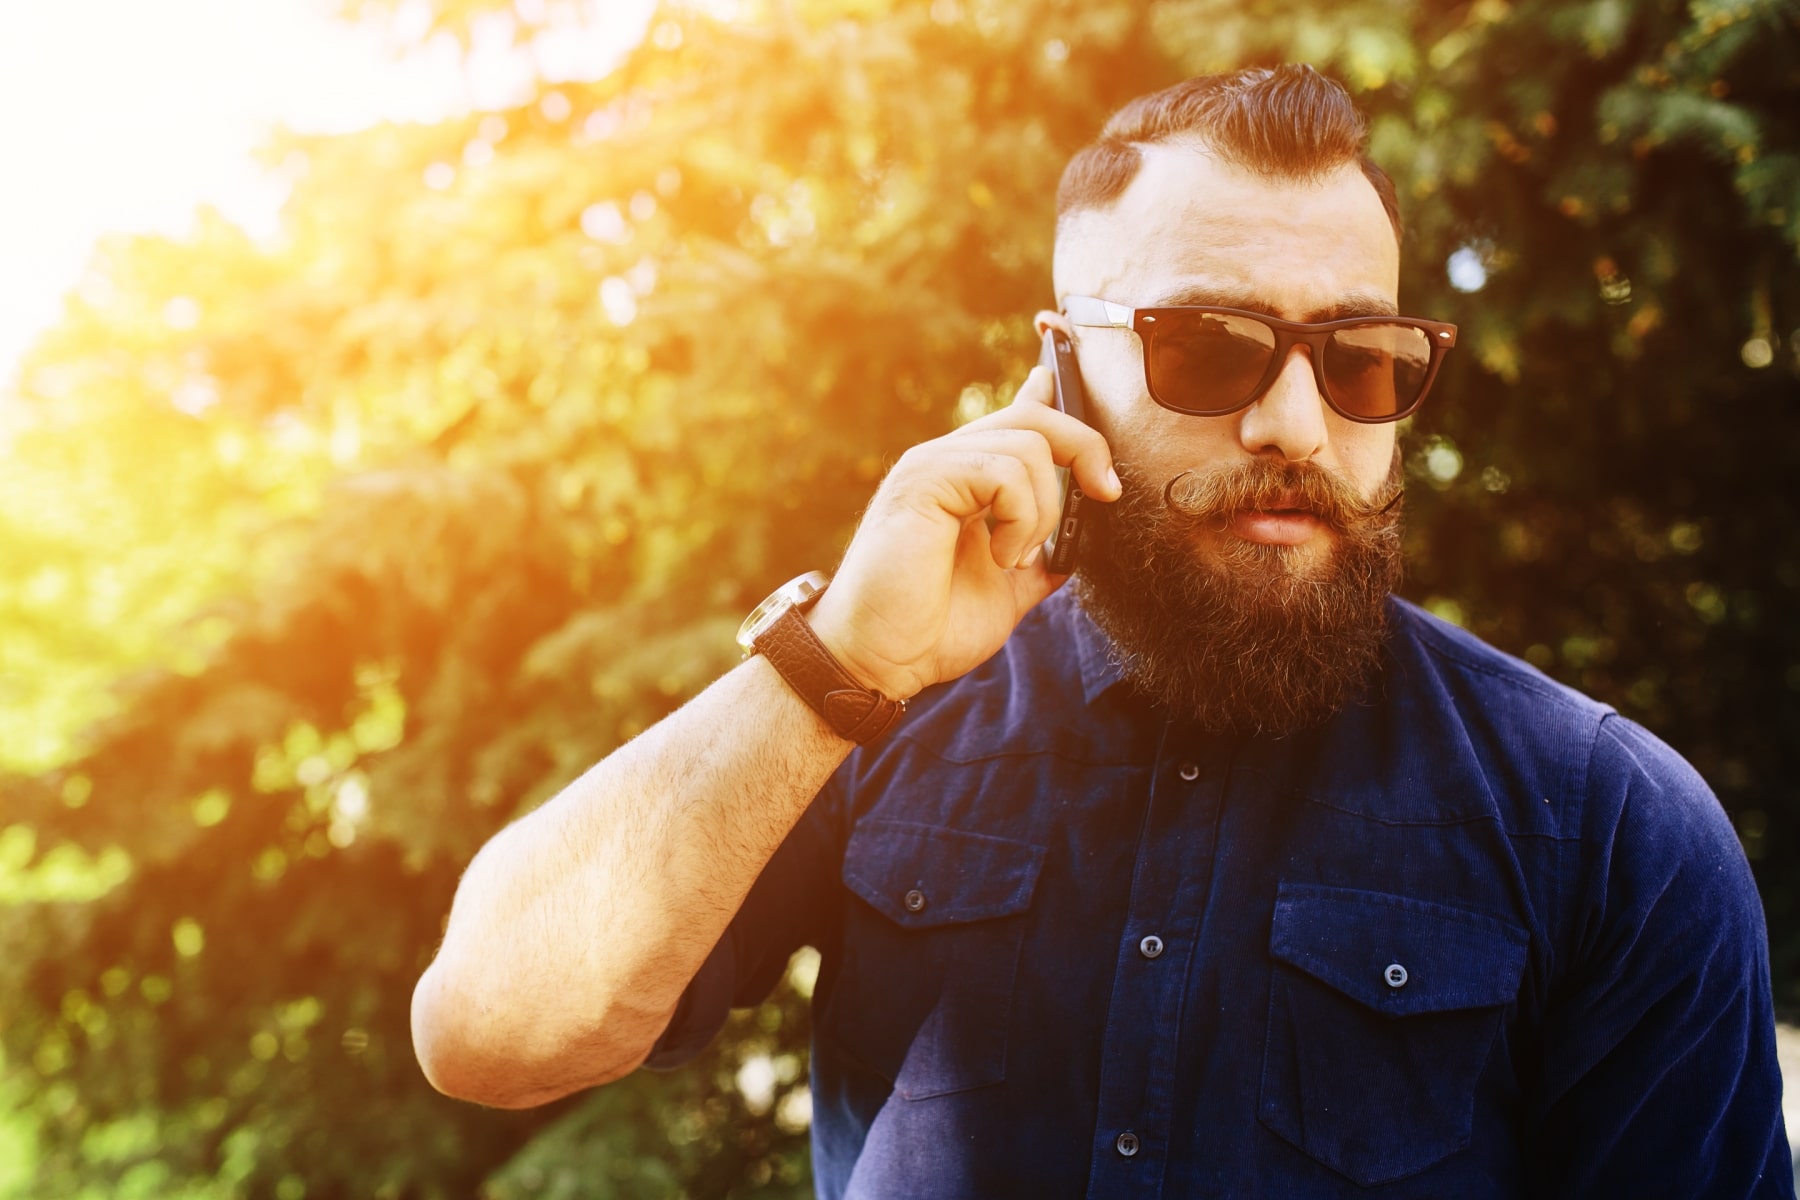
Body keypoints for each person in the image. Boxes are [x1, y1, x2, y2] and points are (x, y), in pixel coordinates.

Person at [410, 65, 1794, 1196]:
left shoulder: (1606, 824)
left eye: (1363, 360)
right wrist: (836, 666)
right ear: (1060, 365)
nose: (1295, 426)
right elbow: (492, 1032)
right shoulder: (871, 710)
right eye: (1209, 345)